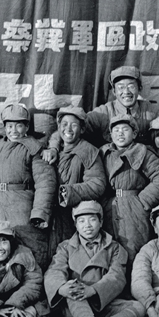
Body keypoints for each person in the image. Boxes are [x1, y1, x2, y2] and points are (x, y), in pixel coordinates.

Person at [44, 201, 145, 317]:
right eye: (81, 221)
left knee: (138, 308)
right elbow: (54, 270)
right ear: (75, 225)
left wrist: (93, 290)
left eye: (92, 219)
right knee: (73, 290)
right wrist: (62, 288)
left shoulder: (114, 248)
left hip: (102, 304)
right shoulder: (65, 247)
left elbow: (116, 276)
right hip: (75, 308)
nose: (87, 225)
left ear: (101, 222)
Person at [0, 103, 57, 269]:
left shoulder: (34, 149)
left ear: (27, 127)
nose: (13, 130)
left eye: (19, 125)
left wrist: (40, 213)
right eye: (9, 126)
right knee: (1, 248)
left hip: (23, 207)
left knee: (29, 247)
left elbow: (45, 183)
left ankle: (33, 281)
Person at [43, 66, 159, 162]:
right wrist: (53, 148)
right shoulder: (103, 113)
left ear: (139, 88)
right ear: (114, 91)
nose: (126, 92)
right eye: (120, 87)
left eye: (131, 86)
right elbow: (73, 128)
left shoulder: (151, 111)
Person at [100, 114, 159, 267]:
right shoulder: (104, 153)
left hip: (134, 209)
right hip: (109, 207)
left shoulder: (142, 152)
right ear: (110, 134)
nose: (120, 133)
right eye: (116, 130)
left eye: (125, 129)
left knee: (133, 250)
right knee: (110, 251)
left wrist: (142, 201)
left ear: (134, 133)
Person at [52, 105, 107, 253]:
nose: (68, 129)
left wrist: (69, 192)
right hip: (52, 215)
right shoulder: (52, 150)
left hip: (75, 214)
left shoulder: (89, 151)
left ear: (82, 129)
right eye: (64, 124)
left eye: (74, 125)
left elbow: (97, 184)